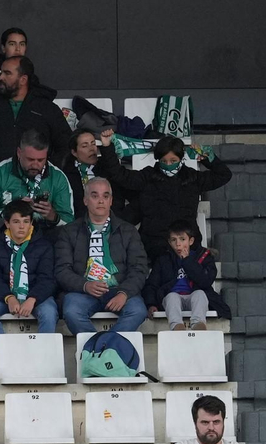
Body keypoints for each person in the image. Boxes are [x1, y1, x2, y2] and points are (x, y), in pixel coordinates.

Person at [97, 135, 232, 262]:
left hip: (187, 243)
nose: (168, 165)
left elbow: (224, 175)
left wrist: (209, 158)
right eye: (164, 161)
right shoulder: (148, 177)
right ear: (158, 160)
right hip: (154, 244)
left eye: (173, 161)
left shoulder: (193, 178)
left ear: (181, 158)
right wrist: (107, 147)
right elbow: (120, 175)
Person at [56, 178, 149, 336]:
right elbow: (62, 270)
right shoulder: (69, 231)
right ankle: (106, 350)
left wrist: (124, 293)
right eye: (95, 196)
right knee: (71, 311)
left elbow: (139, 268)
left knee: (138, 310)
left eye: (105, 196)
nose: (101, 201)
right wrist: (85, 285)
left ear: (111, 200)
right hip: (83, 292)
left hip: (118, 290)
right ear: (85, 200)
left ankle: (99, 349)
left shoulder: (128, 231)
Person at [0, 201, 58, 346]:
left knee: (49, 312)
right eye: (16, 221)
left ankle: (43, 359)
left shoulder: (44, 245)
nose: (22, 226)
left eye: (26, 221)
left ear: (31, 223)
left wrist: (32, 298)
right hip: (6, 296)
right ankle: (6, 354)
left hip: (36, 296)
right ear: (7, 223)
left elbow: (47, 280)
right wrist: (9, 298)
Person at [0, 127, 76, 235]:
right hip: (8, 232)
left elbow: (70, 222)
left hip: (44, 233)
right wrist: (12, 211)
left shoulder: (58, 177)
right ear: (19, 153)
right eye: (30, 159)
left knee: (64, 233)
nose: (35, 164)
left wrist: (53, 216)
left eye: (41, 160)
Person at [145, 219, 229, 329]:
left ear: (191, 241)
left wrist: (187, 261)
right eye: (173, 240)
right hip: (173, 297)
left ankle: (198, 325)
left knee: (200, 294)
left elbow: (205, 281)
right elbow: (152, 284)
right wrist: (151, 304)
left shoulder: (202, 257)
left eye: (182, 239)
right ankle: (177, 326)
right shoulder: (164, 260)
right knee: (171, 297)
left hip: (193, 296)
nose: (178, 244)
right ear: (169, 242)